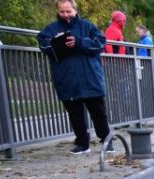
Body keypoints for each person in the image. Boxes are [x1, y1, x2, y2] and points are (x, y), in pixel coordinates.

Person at [38, 1, 111, 155]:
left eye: (68, 11)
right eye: (62, 12)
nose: (65, 15)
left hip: (90, 76)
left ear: (75, 10)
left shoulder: (87, 26)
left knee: (98, 112)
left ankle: (107, 140)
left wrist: (79, 42)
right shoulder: (50, 29)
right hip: (66, 77)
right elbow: (44, 45)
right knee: (75, 114)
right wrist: (58, 45)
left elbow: (100, 44)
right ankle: (83, 143)